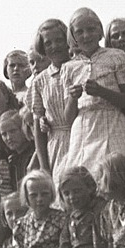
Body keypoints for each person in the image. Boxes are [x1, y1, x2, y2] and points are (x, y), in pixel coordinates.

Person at [60, 8, 125, 179]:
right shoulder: (69, 67)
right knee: (84, 177)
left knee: (117, 173)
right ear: (73, 36)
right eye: (79, 32)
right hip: (83, 127)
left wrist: (102, 92)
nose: (86, 35)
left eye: (91, 29)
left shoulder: (116, 56)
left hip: (112, 121)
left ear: (100, 31)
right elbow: (68, 118)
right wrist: (73, 98)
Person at [27, 18, 72, 177]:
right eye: (48, 43)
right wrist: (44, 166)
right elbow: (38, 129)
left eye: (59, 40)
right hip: (57, 145)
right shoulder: (40, 81)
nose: (55, 46)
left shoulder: (80, 66)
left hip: (85, 136)